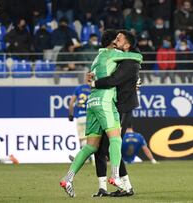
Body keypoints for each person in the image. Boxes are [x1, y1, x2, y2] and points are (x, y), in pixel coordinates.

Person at [59, 30, 142, 198]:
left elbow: (94, 77)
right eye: (116, 39)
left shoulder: (97, 58)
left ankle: (68, 179)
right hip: (105, 101)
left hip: (92, 102)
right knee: (116, 138)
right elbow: (137, 57)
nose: (118, 41)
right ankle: (116, 177)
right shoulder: (115, 53)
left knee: (91, 146)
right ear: (112, 43)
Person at [88, 30, 143, 197]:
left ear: (126, 45)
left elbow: (114, 80)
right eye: (115, 38)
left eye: (119, 39)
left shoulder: (129, 62)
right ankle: (110, 187)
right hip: (113, 106)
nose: (115, 41)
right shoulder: (121, 58)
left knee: (109, 147)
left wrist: (94, 83)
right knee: (106, 148)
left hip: (123, 108)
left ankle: (124, 186)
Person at [68, 84, 92, 164]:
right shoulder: (94, 88)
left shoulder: (79, 88)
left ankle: (82, 159)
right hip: (90, 117)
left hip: (81, 117)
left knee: (82, 139)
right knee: (92, 138)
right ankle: (88, 158)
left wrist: (71, 114)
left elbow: (71, 102)